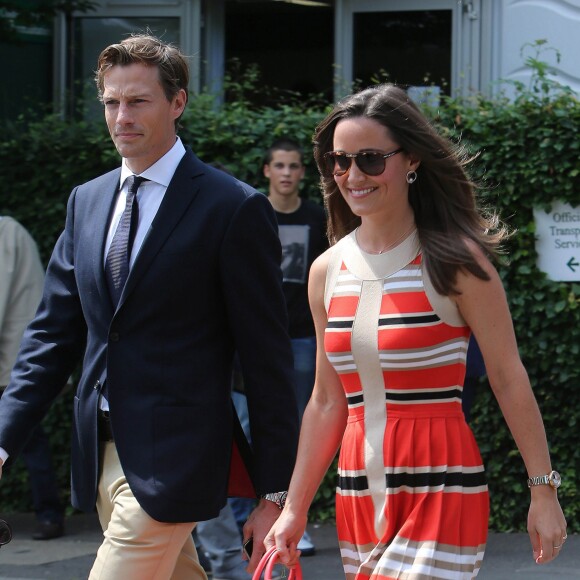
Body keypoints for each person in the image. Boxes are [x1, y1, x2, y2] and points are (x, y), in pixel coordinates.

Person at [0, 34, 299, 580]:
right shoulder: (86, 201)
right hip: (101, 452)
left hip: (180, 457)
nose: (122, 116)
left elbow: (267, 363)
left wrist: (276, 492)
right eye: (112, 102)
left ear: (177, 102)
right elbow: (51, 338)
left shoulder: (232, 208)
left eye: (138, 101)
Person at [266, 83, 567, 578]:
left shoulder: (457, 263)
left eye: (369, 159)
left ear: (411, 162)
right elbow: (325, 400)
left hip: (443, 482)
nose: (352, 175)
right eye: (339, 161)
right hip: (359, 488)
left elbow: (508, 377)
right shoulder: (326, 271)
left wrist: (543, 490)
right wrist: (293, 506)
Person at [263, 138, 328, 557]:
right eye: (279, 166)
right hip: (260, 340)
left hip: (305, 338)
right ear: (267, 171)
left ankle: (294, 515)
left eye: (294, 166)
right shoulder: (253, 213)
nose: (287, 172)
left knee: (304, 430)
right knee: (252, 427)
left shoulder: (316, 219)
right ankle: (248, 517)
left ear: (303, 172)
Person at [0, 216, 65, 541]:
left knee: (19, 440)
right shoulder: (14, 231)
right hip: (21, 362)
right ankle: (50, 515)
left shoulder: (5, 233)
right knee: (31, 442)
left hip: (12, 364)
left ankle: (50, 514)